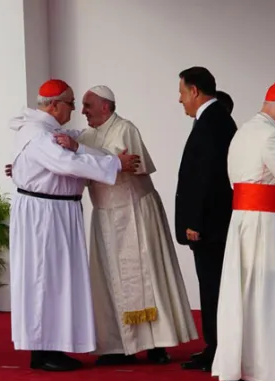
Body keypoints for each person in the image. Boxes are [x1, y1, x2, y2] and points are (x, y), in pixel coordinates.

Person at [8, 79, 140, 372]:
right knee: (45, 278)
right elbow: (66, 164)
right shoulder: (38, 133)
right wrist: (115, 164)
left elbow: (78, 143)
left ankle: (54, 345)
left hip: (57, 209)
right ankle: (43, 351)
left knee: (57, 279)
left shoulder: (49, 130)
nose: (75, 110)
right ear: (54, 105)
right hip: (44, 213)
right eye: (70, 103)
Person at [77, 86, 197, 365]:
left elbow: (131, 168)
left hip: (134, 213)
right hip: (104, 217)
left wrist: (97, 161)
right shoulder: (86, 136)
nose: (83, 111)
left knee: (148, 275)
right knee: (106, 282)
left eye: (87, 105)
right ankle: (116, 346)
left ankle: (157, 343)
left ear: (105, 107)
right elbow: (79, 164)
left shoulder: (125, 129)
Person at [212, 83, 275, 381]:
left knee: (243, 296)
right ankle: (261, 371)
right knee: (265, 294)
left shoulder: (244, 131)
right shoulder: (272, 136)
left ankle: (238, 367)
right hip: (268, 225)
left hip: (245, 222)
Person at [175, 67, 237, 372]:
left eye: (182, 92)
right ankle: (215, 346)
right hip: (213, 223)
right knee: (211, 286)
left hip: (209, 225)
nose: (180, 99)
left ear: (195, 91)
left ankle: (218, 349)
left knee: (213, 286)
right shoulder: (213, 119)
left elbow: (207, 178)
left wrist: (195, 222)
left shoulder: (213, 122)